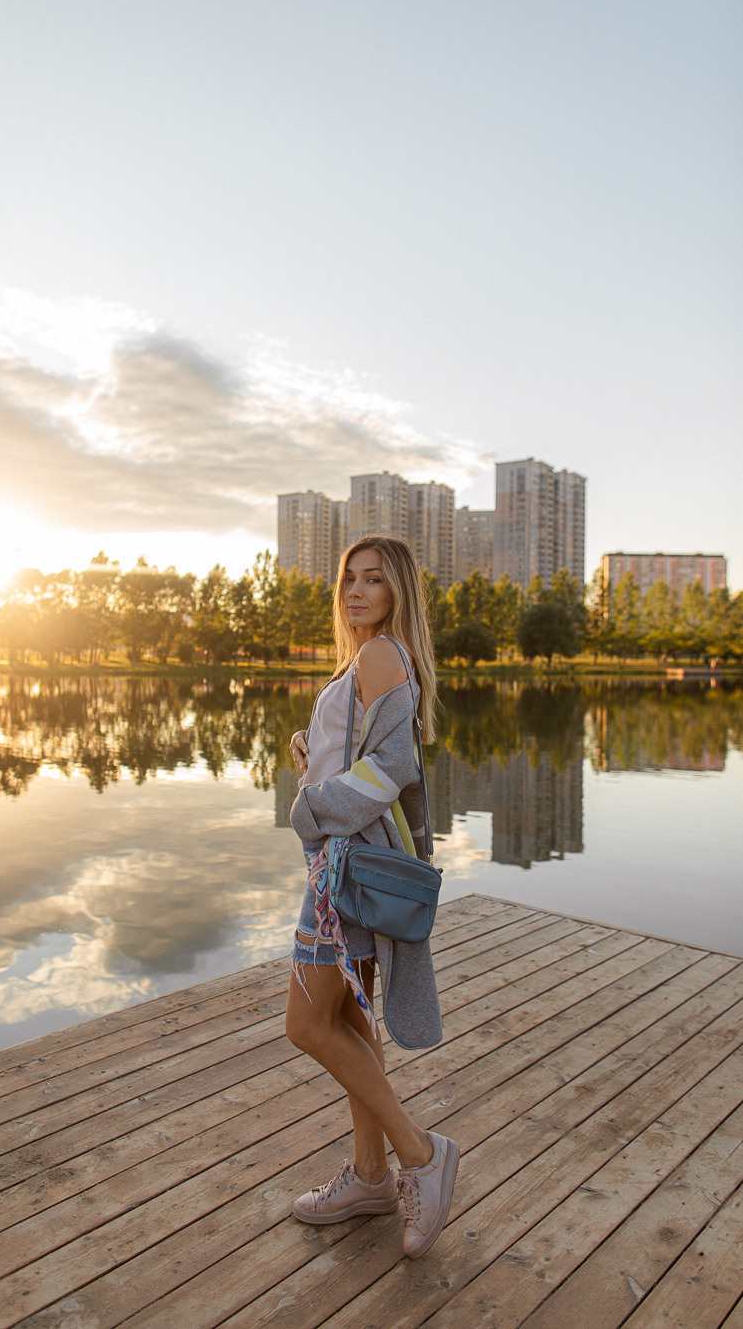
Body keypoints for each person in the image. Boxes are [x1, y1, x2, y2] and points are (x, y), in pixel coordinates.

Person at [285, 534, 459, 1260]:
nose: (355, 591)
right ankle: (367, 1177)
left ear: (397, 594)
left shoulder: (380, 653)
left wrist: (308, 804)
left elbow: (387, 770)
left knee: (306, 1023)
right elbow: (366, 756)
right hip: (347, 864)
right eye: (348, 579)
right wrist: (312, 752)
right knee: (351, 1025)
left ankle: (420, 1154)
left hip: (344, 873)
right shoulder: (367, 658)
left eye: (373, 581)